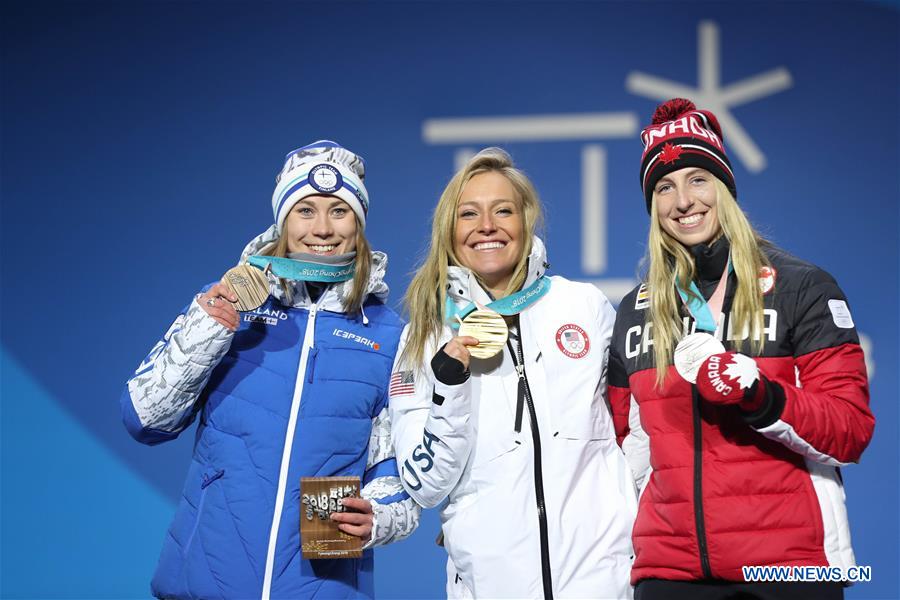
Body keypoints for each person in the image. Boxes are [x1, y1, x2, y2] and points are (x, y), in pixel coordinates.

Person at [121, 140, 420, 599]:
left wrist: (377, 516)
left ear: (359, 224)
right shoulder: (229, 304)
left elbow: (396, 469)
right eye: (305, 211)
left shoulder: (388, 335)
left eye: (339, 211)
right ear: (283, 220)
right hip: (206, 583)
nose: (322, 229)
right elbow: (145, 419)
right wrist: (209, 331)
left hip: (321, 587)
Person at [608, 99, 874, 600]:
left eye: (698, 180)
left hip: (789, 571)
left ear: (725, 188)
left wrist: (764, 398)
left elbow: (851, 431)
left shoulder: (803, 288)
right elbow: (626, 450)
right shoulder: (635, 310)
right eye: (664, 187)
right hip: (671, 574)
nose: (682, 201)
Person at [389, 148, 636, 599]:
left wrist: (628, 532)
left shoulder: (584, 306)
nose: (487, 226)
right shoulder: (424, 336)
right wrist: (450, 387)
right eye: (469, 214)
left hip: (602, 581)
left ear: (526, 221)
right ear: (449, 230)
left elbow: (632, 431)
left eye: (503, 210)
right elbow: (424, 485)